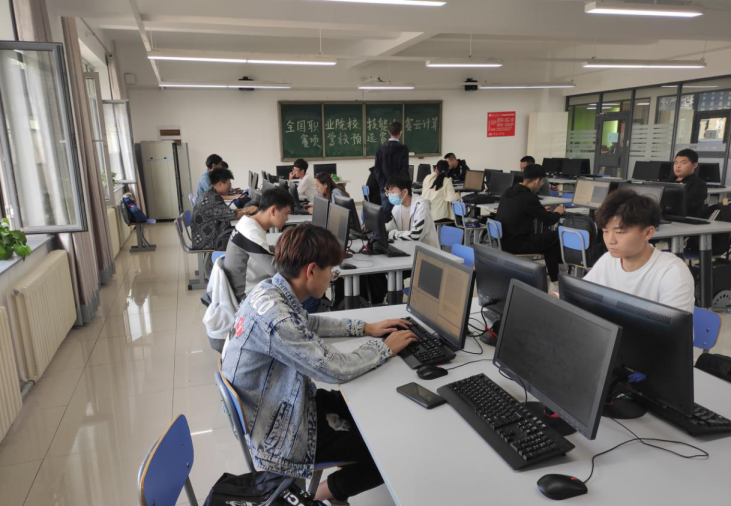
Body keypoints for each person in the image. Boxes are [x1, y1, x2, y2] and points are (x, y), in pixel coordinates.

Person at [221, 224, 417, 504]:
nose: (332, 277)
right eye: (331, 271)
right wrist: (383, 348)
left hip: (282, 405)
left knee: (370, 409)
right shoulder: (277, 319)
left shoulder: (269, 289)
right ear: (311, 271)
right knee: (388, 450)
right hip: (284, 433)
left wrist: (365, 328)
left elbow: (307, 322)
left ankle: (336, 482)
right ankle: (323, 494)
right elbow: (333, 369)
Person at [583, 189, 695, 313]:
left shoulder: (672, 272)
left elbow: (673, 324)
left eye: (619, 232)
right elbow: (581, 296)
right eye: (605, 231)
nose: (610, 240)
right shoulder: (607, 260)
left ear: (647, 233)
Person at [495, 164, 565, 282]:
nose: (541, 184)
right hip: (518, 244)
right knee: (557, 235)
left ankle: (555, 278)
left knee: (549, 242)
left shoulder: (509, 191)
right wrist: (558, 212)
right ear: (537, 181)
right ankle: (556, 277)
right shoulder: (529, 197)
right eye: (542, 181)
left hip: (503, 241)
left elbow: (521, 210)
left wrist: (540, 211)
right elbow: (549, 221)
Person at [191, 167, 246, 252]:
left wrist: (244, 210)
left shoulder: (210, 193)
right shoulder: (212, 199)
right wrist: (248, 211)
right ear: (220, 184)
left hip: (203, 237)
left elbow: (226, 212)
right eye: (229, 184)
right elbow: (233, 215)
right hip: (207, 241)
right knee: (245, 236)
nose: (230, 187)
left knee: (240, 232)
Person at [383, 172, 440, 248]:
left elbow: (415, 235)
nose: (390, 196)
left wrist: (392, 234)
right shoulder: (397, 207)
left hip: (426, 251)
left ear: (404, 192)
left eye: (392, 192)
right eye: (388, 193)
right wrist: (379, 226)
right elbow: (394, 225)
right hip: (408, 247)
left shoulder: (421, 206)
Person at [374, 122, 409, 219]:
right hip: (399, 190)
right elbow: (404, 169)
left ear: (389, 132)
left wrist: (384, 186)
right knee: (400, 216)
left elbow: (377, 169)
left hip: (385, 189)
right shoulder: (403, 149)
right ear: (400, 133)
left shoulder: (380, 148)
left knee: (385, 215)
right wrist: (398, 186)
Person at [666, 148, 707, 218]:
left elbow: (684, 205)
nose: (678, 166)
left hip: (686, 220)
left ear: (694, 165)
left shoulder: (699, 184)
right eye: (676, 163)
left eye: (683, 163)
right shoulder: (668, 181)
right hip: (665, 217)